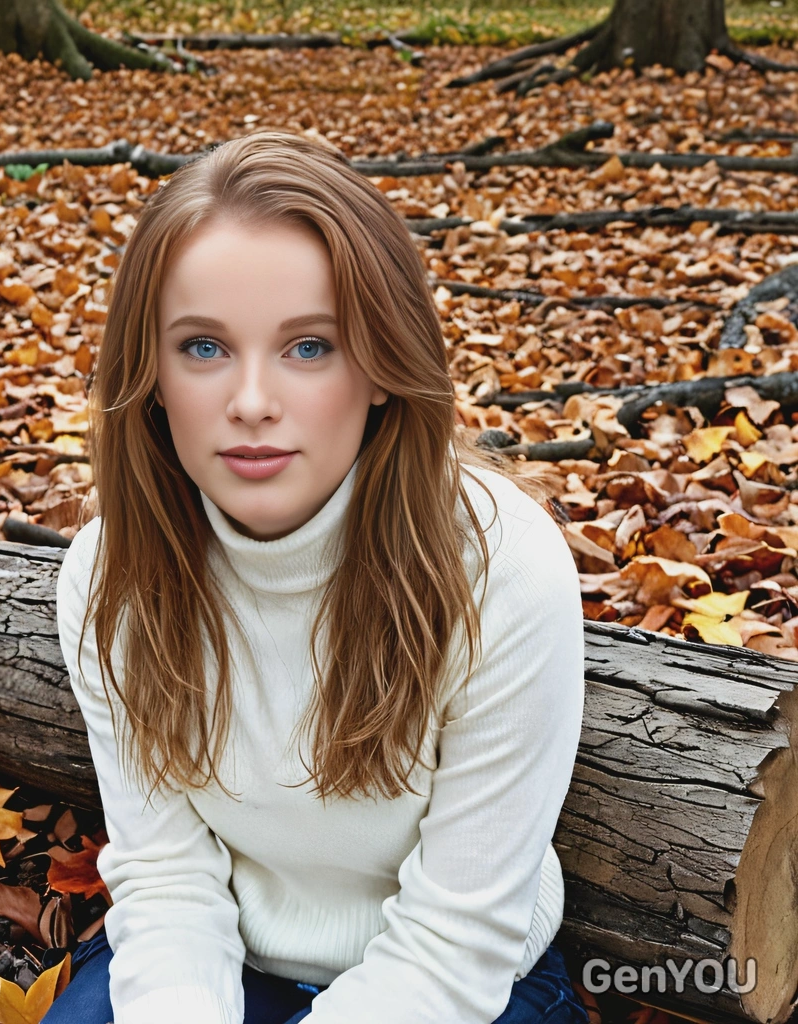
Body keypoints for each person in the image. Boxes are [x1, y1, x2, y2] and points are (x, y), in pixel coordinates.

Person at [46, 128, 589, 1024]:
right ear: (149, 374)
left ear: (380, 365)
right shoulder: (112, 577)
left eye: (308, 348)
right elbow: (168, 878)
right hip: (222, 955)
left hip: (462, 981)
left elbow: (456, 943)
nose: (252, 400)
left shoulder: (502, 570)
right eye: (203, 348)